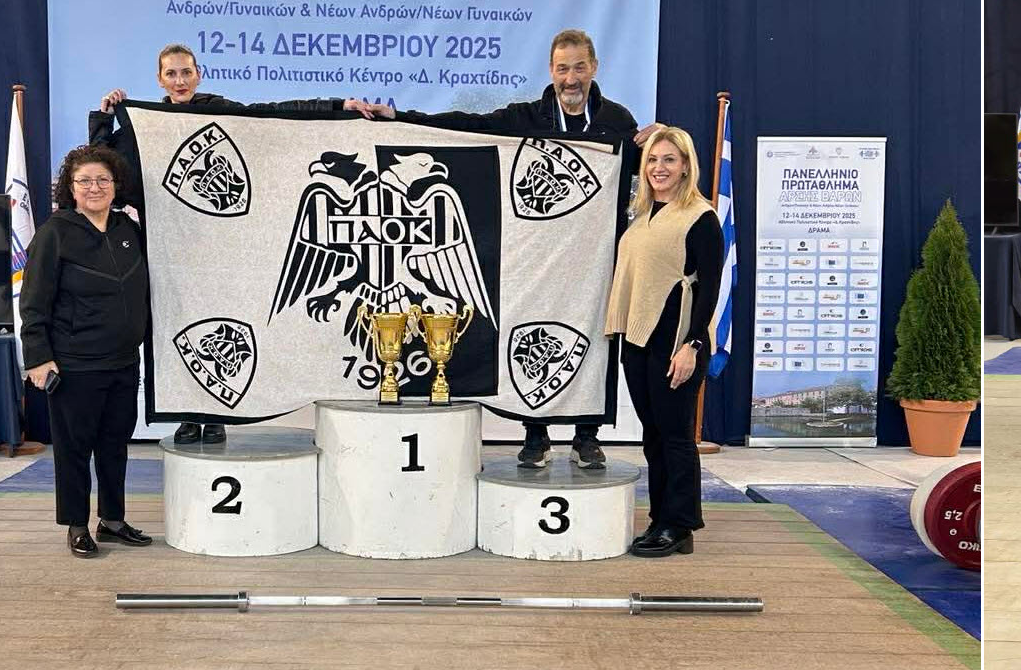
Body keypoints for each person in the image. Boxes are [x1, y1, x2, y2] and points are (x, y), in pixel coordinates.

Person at [376, 29, 661, 469]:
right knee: (535, 333)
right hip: (539, 258)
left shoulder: (617, 120)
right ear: (551, 70)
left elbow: (648, 168)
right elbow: (467, 126)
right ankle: (536, 434)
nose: (571, 78)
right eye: (562, 69)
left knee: (597, 341)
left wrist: (660, 139)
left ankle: (587, 436)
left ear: (594, 67)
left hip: (596, 259)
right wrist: (400, 117)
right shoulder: (527, 116)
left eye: (579, 67)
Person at [90, 43, 386, 445]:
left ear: (199, 74)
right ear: (159, 79)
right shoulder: (147, 126)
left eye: (186, 72)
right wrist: (105, 117)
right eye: (171, 73)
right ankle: (187, 412)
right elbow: (103, 167)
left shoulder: (220, 109)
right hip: (170, 251)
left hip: (223, 249)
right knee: (173, 325)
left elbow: (274, 116)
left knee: (220, 323)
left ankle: (215, 414)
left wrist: (337, 106)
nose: (180, 80)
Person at [19, 145, 153, 558]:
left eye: (103, 180)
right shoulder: (54, 233)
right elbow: (33, 301)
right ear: (71, 188)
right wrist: (38, 357)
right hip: (74, 365)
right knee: (74, 450)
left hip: (124, 362)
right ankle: (76, 525)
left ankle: (112, 520)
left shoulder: (128, 230)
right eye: (85, 181)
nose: (95, 188)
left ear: (116, 185)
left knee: (115, 444)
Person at [604, 127, 722, 557]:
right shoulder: (641, 215)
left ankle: (681, 525)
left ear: (686, 166)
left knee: (675, 436)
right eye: (653, 160)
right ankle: (660, 518)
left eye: (670, 159)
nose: (659, 168)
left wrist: (692, 345)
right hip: (639, 338)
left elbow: (709, 289)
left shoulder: (700, 217)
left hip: (676, 340)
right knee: (653, 435)